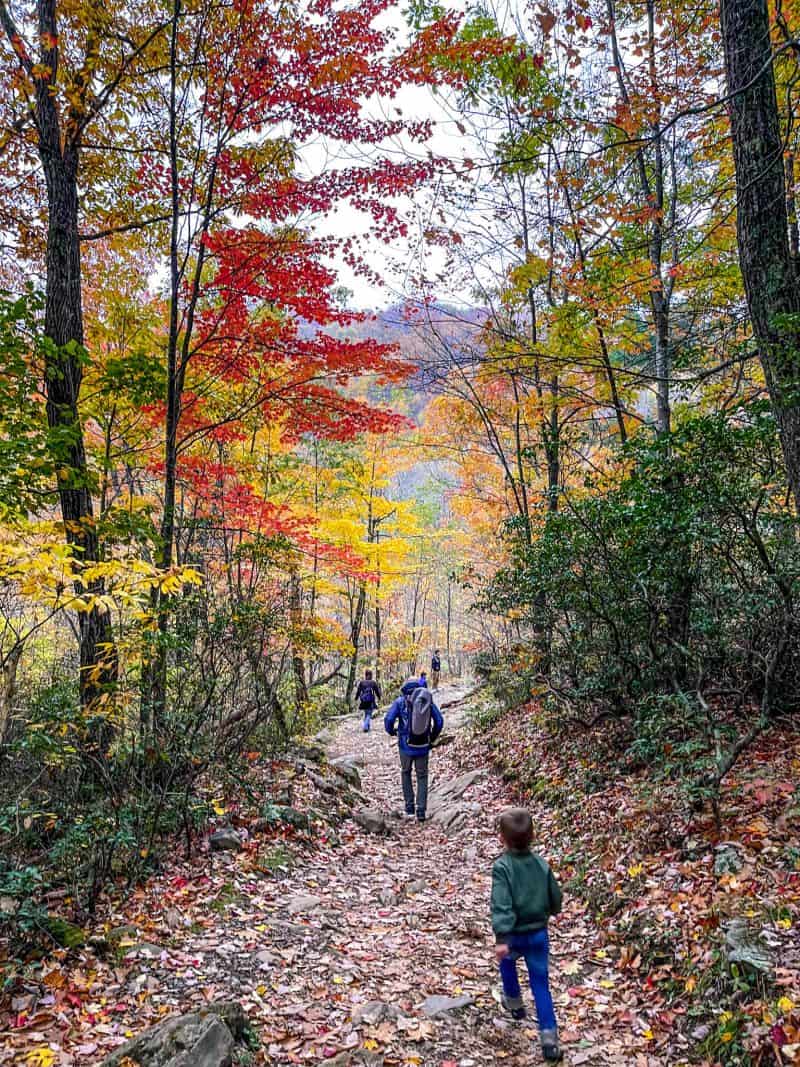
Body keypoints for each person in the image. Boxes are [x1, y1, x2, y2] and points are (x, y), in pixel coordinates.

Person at [492, 808, 563, 1062]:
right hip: (538, 934)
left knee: (507, 963)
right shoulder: (541, 865)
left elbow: (501, 903)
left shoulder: (502, 867)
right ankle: (549, 1039)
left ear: (502, 838)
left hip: (513, 935)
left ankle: (514, 1003)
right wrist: (554, 910)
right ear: (533, 836)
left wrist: (501, 938)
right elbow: (555, 896)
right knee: (541, 985)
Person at [384, 678, 443, 822]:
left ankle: (409, 807)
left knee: (406, 772)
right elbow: (439, 721)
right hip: (423, 745)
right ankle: (421, 811)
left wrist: (392, 731)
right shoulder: (426, 700)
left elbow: (388, 719)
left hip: (405, 744)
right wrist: (431, 737)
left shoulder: (400, 701)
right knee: (422, 776)